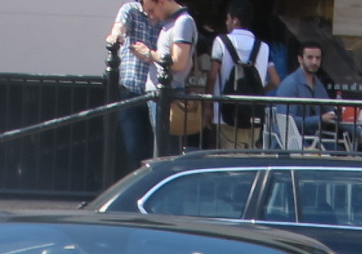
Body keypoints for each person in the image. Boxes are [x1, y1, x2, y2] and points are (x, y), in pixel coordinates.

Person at [205, 0, 279, 149]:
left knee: (229, 162)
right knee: (248, 161)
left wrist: (208, 106)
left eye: (227, 18)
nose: (226, 22)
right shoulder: (263, 47)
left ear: (235, 20)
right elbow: (276, 80)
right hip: (253, 114)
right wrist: (257, 92)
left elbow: (213, 76)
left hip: (225, 115)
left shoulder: (221, 42)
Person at [130, 0, 197, 157]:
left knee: (165, 152)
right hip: (160, 95)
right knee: (161, 150)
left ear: (162, 2)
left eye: (152, 10)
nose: (151, 16)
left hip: (168, 96)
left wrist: (149, 54)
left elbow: (179, 62)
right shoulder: (171, 23)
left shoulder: (183, 22)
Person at [272, 42, 362, 150]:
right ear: (300, 59)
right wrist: (319, 119)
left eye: (318, 58)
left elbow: (331, 113)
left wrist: (359, 132)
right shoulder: (290, 85)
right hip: (290, 142)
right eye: (310, 57)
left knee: (341, 152)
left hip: (314, 139)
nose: (314, 62)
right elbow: (287, 123)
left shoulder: (318, 85)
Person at [106, 1, 162, 171]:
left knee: (157, 149)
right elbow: (120, 26)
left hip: (155, 92)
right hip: (131, 90)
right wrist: (116, 35)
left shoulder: (164, 16)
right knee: (133, 148)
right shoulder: (131, 9)